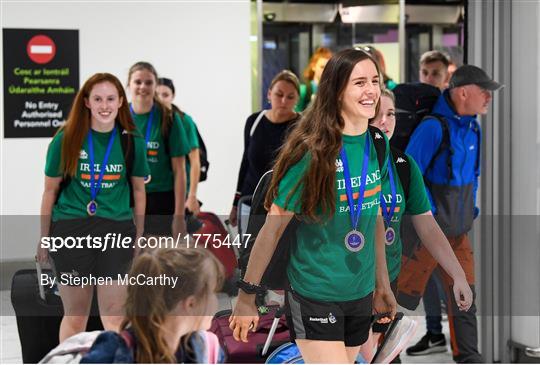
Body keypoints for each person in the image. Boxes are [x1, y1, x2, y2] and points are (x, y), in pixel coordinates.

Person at [230, 48, 397, 364]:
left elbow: (373, 216)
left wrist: (382, 284)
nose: (371, 90)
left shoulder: (377, 143)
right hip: (314, 291)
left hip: (359, 292)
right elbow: (273, 228)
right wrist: (246, 297)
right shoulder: (312, 152)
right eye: (359, 82)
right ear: (336, 91)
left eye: (374, 80)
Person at [359, 89, 473, 363]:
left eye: (390, 114)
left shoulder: (404, 167)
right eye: (376, 115)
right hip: (348, 284)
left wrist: (457, 275)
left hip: (388, 281)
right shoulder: (340, 165)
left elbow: (428, 226)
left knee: (383, 357)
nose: (384, 122)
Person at [400, 65, 503, 363]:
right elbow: (410, 172)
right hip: (426, 237)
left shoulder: (473, 127)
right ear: (463, 92)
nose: (488, 98)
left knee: (466, 300)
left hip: (458, 234)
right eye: (484, 92)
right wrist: (429, 216)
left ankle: (470, 359)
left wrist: (470, 210)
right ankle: (376, 355)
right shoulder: (433, 127)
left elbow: (474, 173)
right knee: (397, 301)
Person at [36, 73, 150, 341]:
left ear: (121, 101)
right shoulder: (66, 138)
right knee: (76, 315)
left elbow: (138, 189)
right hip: (71, 229)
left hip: (116, 229)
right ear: (86, 102)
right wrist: (44, 238)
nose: (105, 105)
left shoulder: (131, 140)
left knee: (115, 315)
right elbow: (49, 191)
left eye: (111, 98)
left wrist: (139, 234)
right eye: (97, 99)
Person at [80, 247, 224, 363]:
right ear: (191, 304)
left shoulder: (209, 350)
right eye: (213, 292)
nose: (215, 301)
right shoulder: (111, 352)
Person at [412, 49, 453, 355]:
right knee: (427, 274)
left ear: (447, 76)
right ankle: (435, 331)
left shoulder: (449, 113)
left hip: (452, 209)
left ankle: (448, 334)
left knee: (449, 275)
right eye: (425, 73)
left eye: (435, 74)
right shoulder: (415, 109)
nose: (428, 79)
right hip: (426, 209)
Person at [229, 70, 301, 229]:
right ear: (269, 94)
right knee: (248, 252)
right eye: (279, 94)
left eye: (290, 97)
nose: (283, 101)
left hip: (284, 206)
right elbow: (245, 162)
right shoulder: (254, 121)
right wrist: (235, 204)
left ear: (297, 99)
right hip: (250, 200)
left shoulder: (302, 126)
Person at [127, 62, 190, 238]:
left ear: (155, 85)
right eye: (137, 82)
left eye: (148, 82)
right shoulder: (119, 118)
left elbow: (180, 172)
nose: (143, 87)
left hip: (161, 201)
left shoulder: (168, 118)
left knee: (160, 260)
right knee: (128, 259)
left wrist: (179, 216)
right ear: (129, 84)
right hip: (126, 199)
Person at [156, 77, 202, 215]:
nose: (161, 99)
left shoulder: (183, 120)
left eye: (165, 95)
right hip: (155, 191)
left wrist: (192, 196)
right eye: (157, 95)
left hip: (179, 190)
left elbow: (195, 161)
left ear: (172, 96)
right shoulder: (149, 121)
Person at [295, 47, 333, 112]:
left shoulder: (333, 90)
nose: (325, 71)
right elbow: (295, 116)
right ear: (313, 66)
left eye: (329, 67)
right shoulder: (304, 90)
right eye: (322, 67)